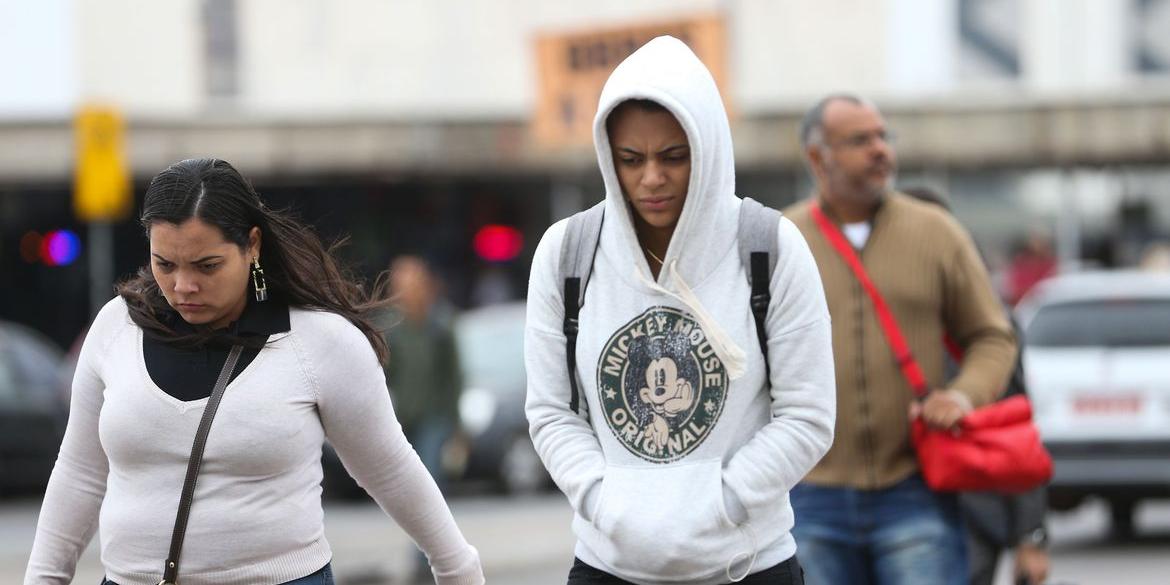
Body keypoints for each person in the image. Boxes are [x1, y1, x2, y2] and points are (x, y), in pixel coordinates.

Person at [24, 158, 484, 585]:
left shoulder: (319, 341)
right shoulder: (115, 327)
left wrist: (457, 567)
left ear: (252, 246)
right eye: (165, 264)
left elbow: (388, 468)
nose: (183, 286)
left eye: (207, 266)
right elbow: (81, 473)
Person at [525, 36, 835, 585]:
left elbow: (807, 416)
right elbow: (551, 411)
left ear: (708, 147)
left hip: (747, 566)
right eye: (630, 159)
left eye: (673, 156)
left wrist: (725, 504)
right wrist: (605, 502)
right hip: (608, 566)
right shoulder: (566, 253)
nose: (651, 178)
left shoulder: (770, 247)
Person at [783, 95, 1018, 585]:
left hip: (915, 492)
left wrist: (961, 395)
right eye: (859, 140)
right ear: (817, 158)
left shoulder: (937, 232)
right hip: (808, 496)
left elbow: (992, 336)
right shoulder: (780, 239)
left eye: (883, 136)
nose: (879, 150)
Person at [901, 186, 1050, 585]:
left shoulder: (991, 325)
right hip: (881, 506)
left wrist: (1031, 537)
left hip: (970, 514)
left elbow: (1018, 426)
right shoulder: (855, 316)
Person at [383, 255, 462, 490]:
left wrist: (457, 425)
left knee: (428, 477)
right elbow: (385, 374)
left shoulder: (440, 325)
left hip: (434, 415)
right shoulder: (391, 328)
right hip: (403, 415)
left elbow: (454, 376)